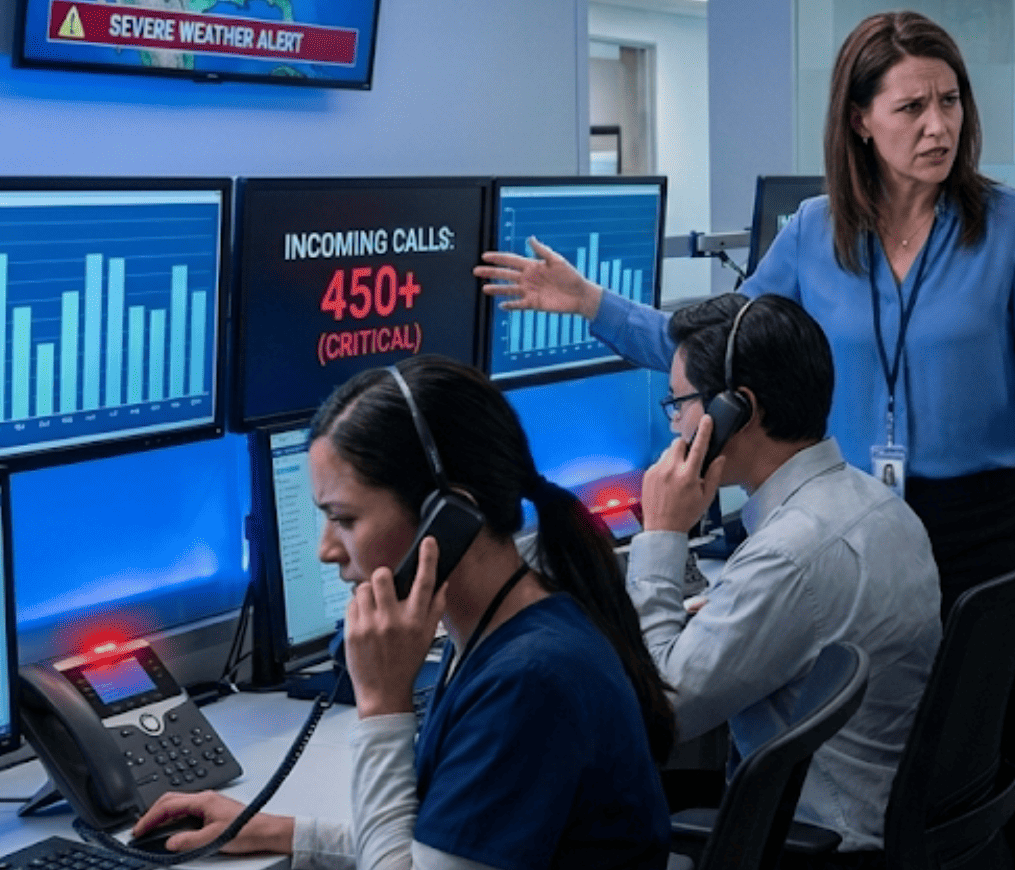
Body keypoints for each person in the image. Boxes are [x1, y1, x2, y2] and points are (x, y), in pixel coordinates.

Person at [477, 11, 1015, 613]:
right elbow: (713, 346)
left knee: (972, 740)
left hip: (987, 522)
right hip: (854, 518)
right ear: (860, 120)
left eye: (951, 101)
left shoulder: (1012, 225)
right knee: (868, 736)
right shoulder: (814, 232)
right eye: (912, 108)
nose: (940, 126)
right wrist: (592, 303)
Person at [133, 356, 676, 870]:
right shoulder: (513, 628)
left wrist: (383, 705)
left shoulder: (530, 679)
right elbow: (445, 850)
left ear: (448, 516)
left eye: (343, 518)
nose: (327, 548)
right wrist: (280, 831)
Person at [629, 292, 941, 853]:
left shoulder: (791, 555)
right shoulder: (879, 504)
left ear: (736, 411)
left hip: (819, 839)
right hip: (889, 816)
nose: (674, 421)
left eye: (680, 403)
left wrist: (661, 538)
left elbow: (661, 711)